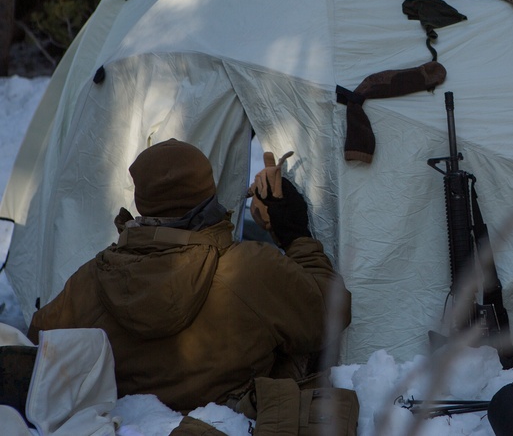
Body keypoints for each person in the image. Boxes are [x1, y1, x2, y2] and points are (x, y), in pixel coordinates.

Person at [28, 138, 351, 413]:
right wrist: (295, 234)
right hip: (231, 425)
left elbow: (36, 351)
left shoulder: (91, 281)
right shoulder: (250, 270)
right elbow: (330, 312)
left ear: (142, 202)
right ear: (209, 192)